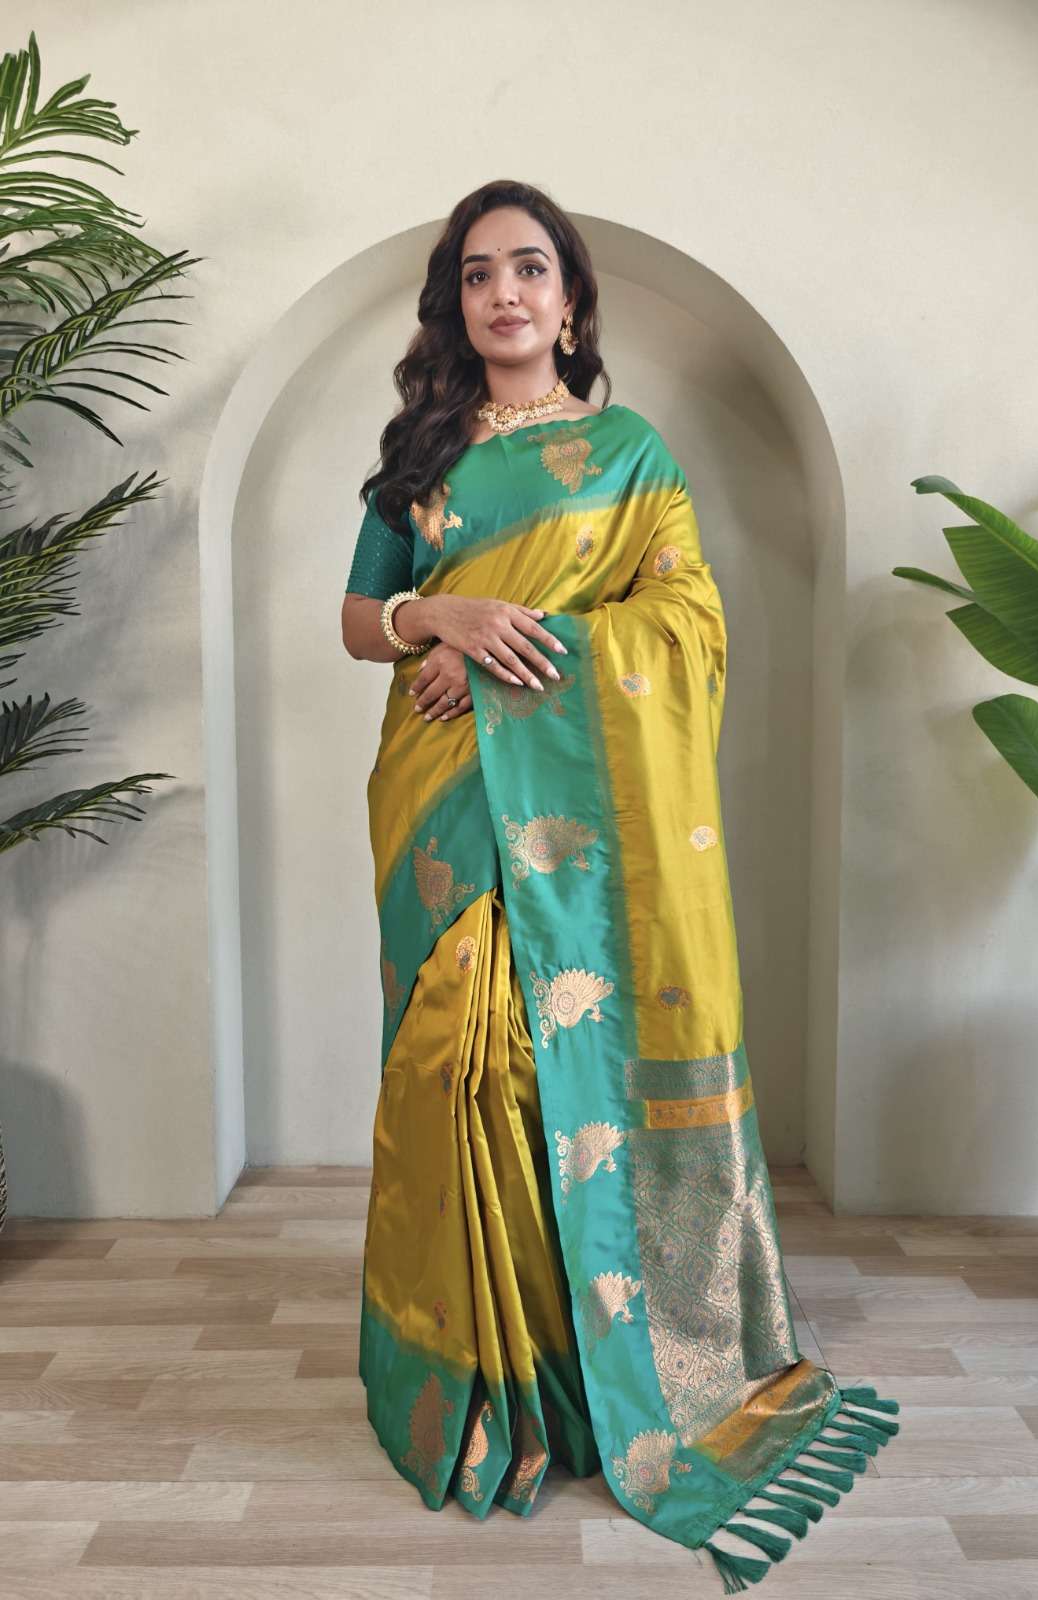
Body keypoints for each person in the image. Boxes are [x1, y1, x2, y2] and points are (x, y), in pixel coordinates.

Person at [341, 179, 900, 1590]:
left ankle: (604, 1377)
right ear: (454, 303)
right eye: (479, 274)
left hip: (567, 814)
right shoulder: (419, 454)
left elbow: (688, 625)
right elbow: (357, 619)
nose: (505, 293)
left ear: (571, 300)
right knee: (455, 1062)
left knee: (548, 1064)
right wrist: (438, 614)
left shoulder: (631, 452)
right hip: (440, 801)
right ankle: (488, 1369)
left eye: (530, 269)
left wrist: (523, 650)